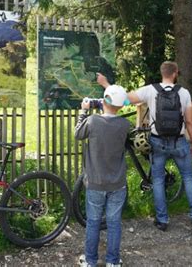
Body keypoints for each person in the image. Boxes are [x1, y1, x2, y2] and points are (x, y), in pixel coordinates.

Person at [97, 61, 192, 233]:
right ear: (175, 74)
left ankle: (162, 220)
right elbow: (189, 121)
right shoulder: (184, 93)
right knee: (188, 177)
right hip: (179, 141)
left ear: (161, 72)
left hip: (157, 141)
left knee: (157, 180)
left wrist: (106, 85)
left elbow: (124, 98)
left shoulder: (150, 90)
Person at [75, 84, 131, 267]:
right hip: (117, 183)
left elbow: (78, 134)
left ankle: (90, 261)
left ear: (103, 100)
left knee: (93, 222)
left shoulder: (92, 121)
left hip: (95, 182)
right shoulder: (125, 125)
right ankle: (112, 262)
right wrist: (106, 105)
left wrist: (83, 111)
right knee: (114, 223)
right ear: (122, 106)